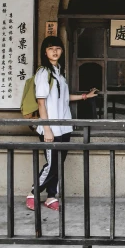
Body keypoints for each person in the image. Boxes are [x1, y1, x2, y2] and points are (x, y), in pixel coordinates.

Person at [26, 36, 98, 211]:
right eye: (51, 49)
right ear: (45, 52)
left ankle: (51, 197)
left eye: (58, 48)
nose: (55, 51)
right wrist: (47, 129)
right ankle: (34, 193)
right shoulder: (44, 73)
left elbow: (64, 98)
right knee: (52, 164)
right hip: (51, 128)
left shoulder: (59, 72)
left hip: (64, 127)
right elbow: (41, 103)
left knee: (58, 163)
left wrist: (84, 96)